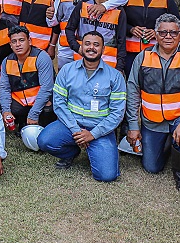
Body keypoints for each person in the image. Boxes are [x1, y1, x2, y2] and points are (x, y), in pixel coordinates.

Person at [125, 14, 180, 192]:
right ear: (156, 34)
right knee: (152, 167)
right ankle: (167, 144)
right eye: (163, 32)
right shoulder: (143, 57)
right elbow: (133, 90)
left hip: (179, 119)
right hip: (151, 121)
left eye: (173, 33)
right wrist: (133, 125)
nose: (168, 36)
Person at [37, 31, 125, 182]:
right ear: (81, 47)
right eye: (87, 44)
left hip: (100, 129)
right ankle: (71, 152)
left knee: (107, 175)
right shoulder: (67, 70)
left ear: (103, 49)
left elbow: (117, 113)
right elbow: (59, 103)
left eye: (96, 45)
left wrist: (93, 134)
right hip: (71, 125)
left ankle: (97, 150)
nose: (91, 48)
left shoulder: (115, 76)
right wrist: (76, 130)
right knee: (45, 140)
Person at [123, 0, 179, 72]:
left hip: (157, 51)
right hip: (130, 53)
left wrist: (157, 32)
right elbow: (119, 22)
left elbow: (176, 25)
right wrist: (131, 29)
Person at [65, 0, 127, 71]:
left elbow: (121, 41)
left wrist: (120, 68)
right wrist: (77, 47)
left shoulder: (119, 11)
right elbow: (69, 29)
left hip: (108, 65)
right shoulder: (83, 5)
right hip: (82, 61)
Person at [0, 26, 56, 132]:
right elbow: (4, 88)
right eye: (14, 41)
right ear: (10, 45)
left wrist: (34, 113)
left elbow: (47, 88)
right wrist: (6, 111)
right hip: (20, 101)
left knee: (49, 108)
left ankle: (41, 124)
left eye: (21, 40)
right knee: (0, 105)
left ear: (29, 41)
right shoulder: (6, 61)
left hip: (41, 100)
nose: (18, 44)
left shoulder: (41, 57)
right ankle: (21, 122)